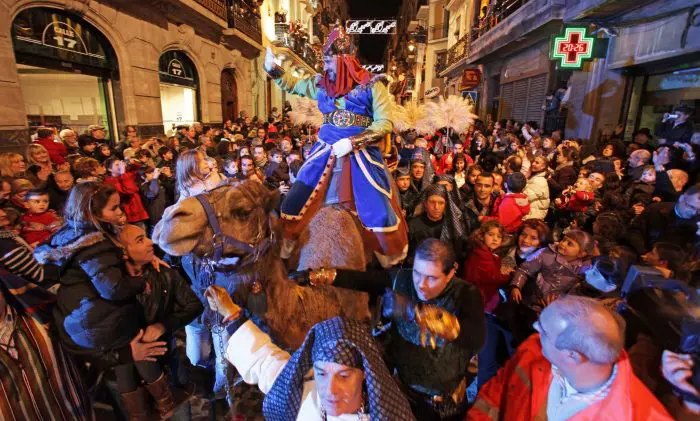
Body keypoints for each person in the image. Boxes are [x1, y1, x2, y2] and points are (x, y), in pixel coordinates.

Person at [264, 25, 407, 267]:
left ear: (343, 61)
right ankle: (287, 246)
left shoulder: (374, 86)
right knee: (294, 199)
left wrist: (353, 142)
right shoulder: (321, 84)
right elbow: (293, 84)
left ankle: (388, 260)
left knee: (379, 209)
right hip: (325, 148)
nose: (325, 66)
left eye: (328, 61)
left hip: (362, 152)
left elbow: (385, 123)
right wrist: (274, 69)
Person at [203, 286, 416, 421]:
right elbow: (263, 359)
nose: (330, 390)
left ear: (364, 374)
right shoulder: (302, 394)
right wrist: (230, 313)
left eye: (343, 375)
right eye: (322, 373)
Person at [468, 296, 673, 420]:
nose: (535, 329)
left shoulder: (641, 415)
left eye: (544, 331)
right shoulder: (533, 350)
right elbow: (495, 394)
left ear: (573, 355)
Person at [626, 184, 700, 255]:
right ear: (681, 198)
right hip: (641, 257)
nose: (694, 213)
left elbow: (690, 256)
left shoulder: (696, 226)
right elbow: (635, 232)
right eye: (691, 207)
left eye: (698, 210)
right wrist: (644, 254)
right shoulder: (654, 209)